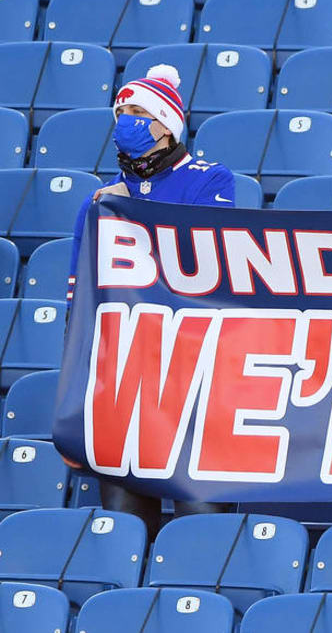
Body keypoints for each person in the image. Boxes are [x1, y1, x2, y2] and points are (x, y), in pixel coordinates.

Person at [66, 65, 236, 535]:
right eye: (121, 112)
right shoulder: (99, 202)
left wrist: (132, 206)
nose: (126, 121)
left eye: (139, 112)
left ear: (167, 124)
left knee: (201, 530)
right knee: (124, 528)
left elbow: (207, 262)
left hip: (197, 378)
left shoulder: (212, 180)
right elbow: (80, 299)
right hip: (126, 385)